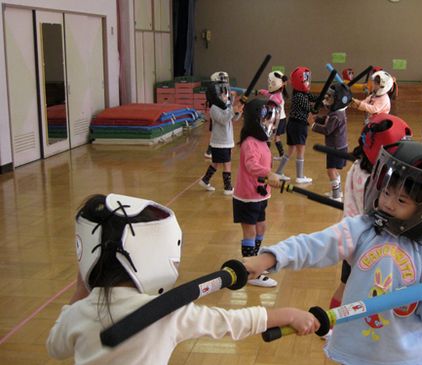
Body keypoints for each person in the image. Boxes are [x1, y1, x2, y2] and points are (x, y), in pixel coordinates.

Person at [245, 140, 422, 365]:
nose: (389, 204)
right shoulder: (362, 229)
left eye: (401, 200)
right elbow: (315, 245)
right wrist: (270, 258)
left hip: (408, 356)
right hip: (357, 350)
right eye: (387, 193)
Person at [46, 193, 319, 364]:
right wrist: (288, 315)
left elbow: (55, 349)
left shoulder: (77, 314)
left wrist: (81, 285)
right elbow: (232, 322)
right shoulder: (167, 314)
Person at [328, 113, 413, 313]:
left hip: (351, 237)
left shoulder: (358, 166)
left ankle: (330, 327)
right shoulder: (376, 181)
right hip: (369, 243)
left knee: (346, 285)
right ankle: (340, 325)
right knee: (369, 288)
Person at [232, 98, 282, 287]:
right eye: (265, 120)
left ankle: (256, 262)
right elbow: (251, 165)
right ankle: (249, 270)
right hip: (247, 196)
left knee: (261, 227)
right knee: (250, 230)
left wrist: (272, 177)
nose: (268, 124)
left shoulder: (262, 141)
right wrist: (269, 173)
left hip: (260, 194)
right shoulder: (250, 143)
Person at [198, 71, 242, 194]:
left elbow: (232, 119)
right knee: (226, 163)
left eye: (226, 95)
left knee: (216, 163)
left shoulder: (226, 106)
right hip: (220, 141)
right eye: (223, 95)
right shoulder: (214, 108)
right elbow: (223, 120)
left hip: (227, 140)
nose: (226, 97)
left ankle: (205, 180)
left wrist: (238, 112)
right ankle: (228, 188)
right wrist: (232, 111)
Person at [275, 66, 317, 184]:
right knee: (300, 151)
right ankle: (300, 176)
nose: (308, 83)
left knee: (290, 150)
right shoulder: (299, 96)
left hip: (293, 125)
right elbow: (311, 109)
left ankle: (278, 173)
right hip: (298, 126)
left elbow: (314, 98)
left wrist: (325, 98)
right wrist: (320, 105)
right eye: (305, 80)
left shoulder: (302, 93)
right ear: (300, 81)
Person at [309, 83, 351, 201]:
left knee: (331, 170)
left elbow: (327, 129)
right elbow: (327, 121)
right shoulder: (336, 113)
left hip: (335, 148)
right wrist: (317, 118)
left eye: (330, 98)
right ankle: (337, 192)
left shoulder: (336, 115)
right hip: (337, 146)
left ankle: (336, 195)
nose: (327, 100)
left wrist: (313, 125)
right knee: (334, 170)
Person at [259, 71, 289, 160]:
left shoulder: (277, 96)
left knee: (269, 137)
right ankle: (281, 155)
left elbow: (275, 102)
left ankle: (266, 155)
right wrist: (261, 91)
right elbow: (268, 93)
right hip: (280, 119)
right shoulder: (276, 93)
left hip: (277, 120)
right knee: (276, 138)